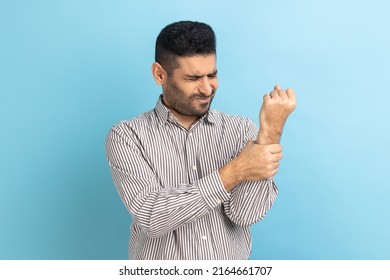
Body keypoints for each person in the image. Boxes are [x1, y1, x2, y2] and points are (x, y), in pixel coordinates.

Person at [105, 21, 296, 260]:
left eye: (212, 74)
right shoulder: (127, 137)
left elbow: (245, 214)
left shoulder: (239, 129)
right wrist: (234, 172)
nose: (207, 89)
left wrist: (269, 133)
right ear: (159, 74)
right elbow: (152, 217)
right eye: (193, 78)